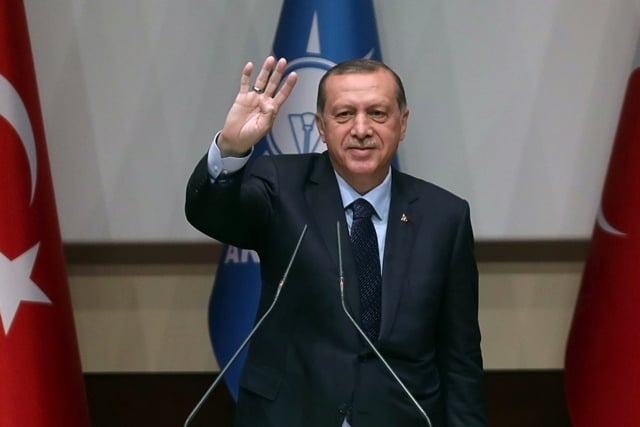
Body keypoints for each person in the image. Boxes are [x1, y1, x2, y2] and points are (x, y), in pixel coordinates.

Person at [185, 56, 486, 427]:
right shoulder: (281, 186)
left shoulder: (446, 216)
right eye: (344, 115)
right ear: (321, 127)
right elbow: (212, 214)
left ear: (402, 123)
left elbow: (460, 358)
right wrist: (230, 150)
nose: (361, 129)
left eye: (377, 113)